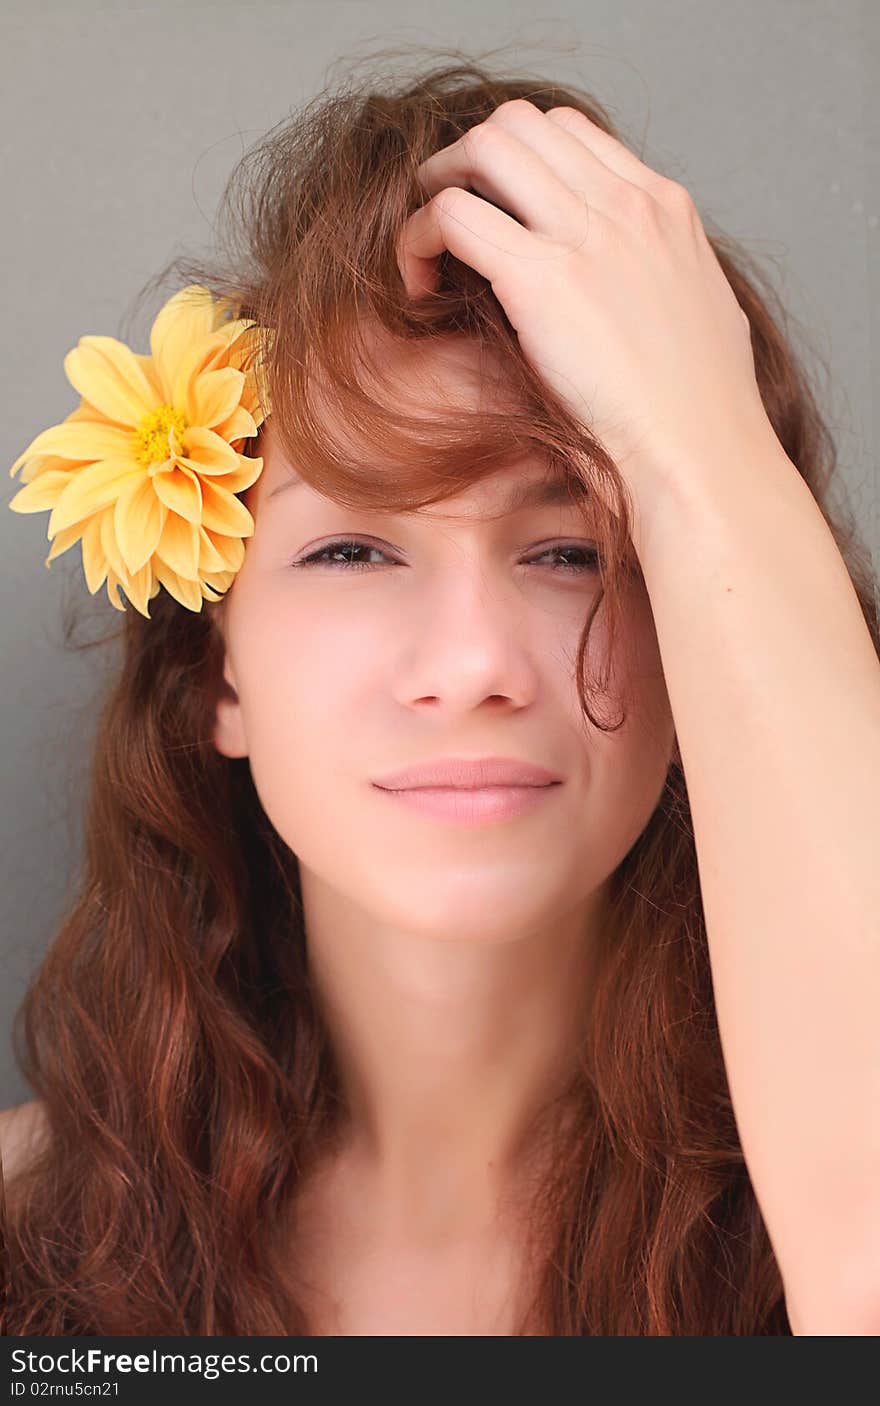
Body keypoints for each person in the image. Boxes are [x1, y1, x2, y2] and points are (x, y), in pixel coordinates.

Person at [2, 54, 878, 1337]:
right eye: (351, 549)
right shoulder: (25, 1237)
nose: (472, 664)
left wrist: (699, 435)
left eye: (572, 550)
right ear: (213, 674)